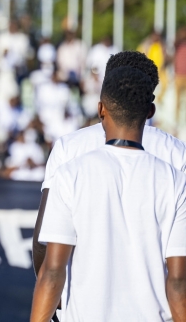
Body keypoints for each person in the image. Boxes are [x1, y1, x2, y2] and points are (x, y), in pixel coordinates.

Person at [31, 66, 186, 321]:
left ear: (101, 108)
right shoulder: (175, 180)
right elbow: (179, 282)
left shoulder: (70, 173)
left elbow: (52, 270)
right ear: (150, 111)